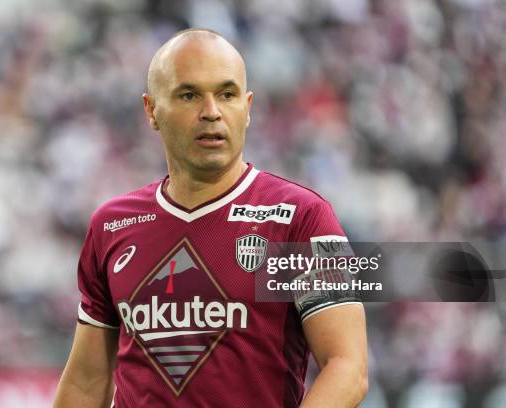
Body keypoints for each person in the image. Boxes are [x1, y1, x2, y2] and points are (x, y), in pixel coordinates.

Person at [54, 28, 368, 408]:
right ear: (151, 110)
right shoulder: (111, 226)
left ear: (248, 107)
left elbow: (347, 367)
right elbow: (86, 384)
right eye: (189, 95)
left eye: (227, 94)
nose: (212, 112)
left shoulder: (302, 217)